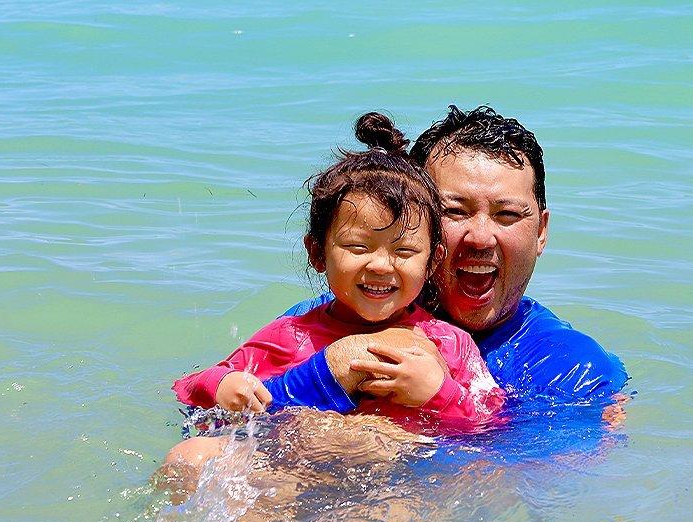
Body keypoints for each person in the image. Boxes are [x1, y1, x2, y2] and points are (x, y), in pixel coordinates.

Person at [275, 106, 629, 434]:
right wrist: (331, 368)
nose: (480, 238)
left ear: (541, 232)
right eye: (455, 211)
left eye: (507, 215)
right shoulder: (318, 323)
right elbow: (231, 412)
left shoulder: (573, 370)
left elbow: (539, 479)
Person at [172, 112, 504, 435]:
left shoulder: (449, 343)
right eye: (358, 248)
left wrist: (438, 392)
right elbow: (188, 391)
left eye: (404, 252)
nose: (380, 265)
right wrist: (222, 384)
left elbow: (494, 425)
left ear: (433, 261)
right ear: (317, 253)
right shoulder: (290, 336)